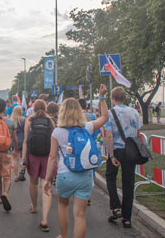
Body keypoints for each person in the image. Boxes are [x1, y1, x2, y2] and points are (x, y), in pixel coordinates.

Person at [43, 84, 109, 238]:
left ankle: (64, 236)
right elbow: (105, 118)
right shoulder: (87, 127)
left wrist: (47, 179)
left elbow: (52, 157)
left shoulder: (57, 132)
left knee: (63, 206)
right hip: (85, 176)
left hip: (65, 175)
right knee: (80, 214)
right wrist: (102, 97)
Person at [105, 86, 142, 228]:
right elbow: (138, 133)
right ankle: (127, 218)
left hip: (117, 149)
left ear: (112, 98)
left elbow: (109, 135)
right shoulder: (134, 112)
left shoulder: (110, 113)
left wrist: (111, 154)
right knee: (128, 183)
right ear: (124, 98)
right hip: (130, 150)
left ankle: (116, 207)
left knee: (110, 177)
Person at [20, 99, 55, 232]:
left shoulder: (29, 120)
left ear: (33, 108)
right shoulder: (51, 121)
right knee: (46, 185)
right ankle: (45, 219)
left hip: (33, 156)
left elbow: (25, 142)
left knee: (33, 183)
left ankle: (34, 207)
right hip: (47, 157)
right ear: (45, 108)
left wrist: (23, 159)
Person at [10, 106, 25, 182]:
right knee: (23, 158)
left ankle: (16, 176)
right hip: (23, 140)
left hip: (14, 141)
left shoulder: (11, 120)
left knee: (15, 159)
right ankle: (22, 172)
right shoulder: (23, 120)